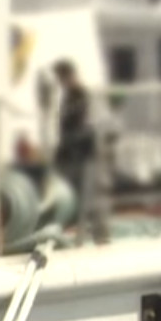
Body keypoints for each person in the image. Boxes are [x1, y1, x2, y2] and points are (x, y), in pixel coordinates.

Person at [50, 60, 112, 244]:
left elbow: (88, 127)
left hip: (86, 154)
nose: (61, 82)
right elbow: (65, 127)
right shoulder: (68, 98)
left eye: (62, 78)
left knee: (90, 196)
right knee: (76, 198)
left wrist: (71, 142)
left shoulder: (83, 96)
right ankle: (84, 236)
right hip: (73, 155)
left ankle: (100, 236)